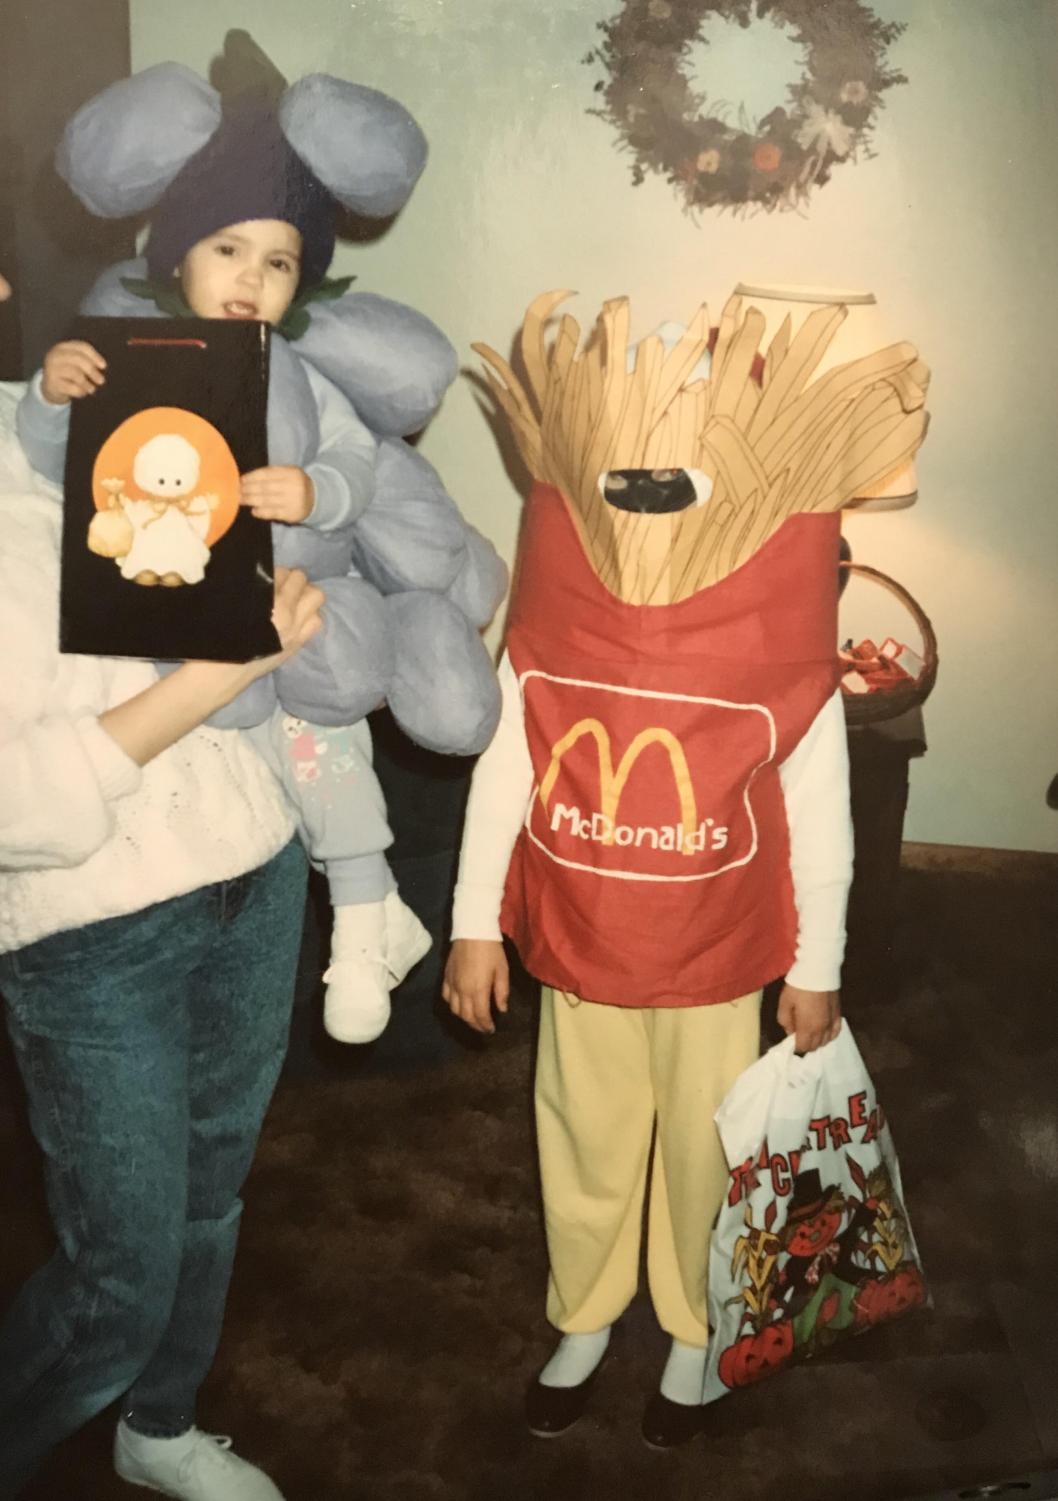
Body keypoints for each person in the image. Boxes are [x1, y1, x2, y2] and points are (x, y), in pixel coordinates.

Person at [439, 281, 931, 1450]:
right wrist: (471, 921)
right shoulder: (551, 634)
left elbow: (821, 821)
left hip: (716, 955)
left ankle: (696, 1327)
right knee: (583, 1129)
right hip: (581, 942)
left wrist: (816, 962)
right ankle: (583, 1314)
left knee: (710, 1144)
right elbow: (502, 771)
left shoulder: (775, 658)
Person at [0, 380, 323, 1496]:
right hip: (87, 928)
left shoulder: (84, 402)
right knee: (117, 1280)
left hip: (251, 863)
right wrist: (224, 669)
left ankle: (160, 1420)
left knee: (209, 1197)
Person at [19, 209, 430, 1045]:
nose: (252, 278)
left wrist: (315, 490)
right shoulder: (132, 358)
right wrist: (49, 391)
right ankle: (378, 904)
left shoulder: (297, 370)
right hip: (185, 599)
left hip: (289, 591)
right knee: (259, 731)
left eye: (278, 264)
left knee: (319, 722)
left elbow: (358, 457)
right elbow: (49, 454)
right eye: (228, 251)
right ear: (177, 263)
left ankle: (359, 916)